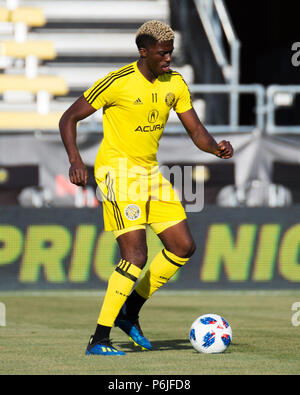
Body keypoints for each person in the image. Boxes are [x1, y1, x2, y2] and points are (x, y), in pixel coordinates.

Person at [59, 20, 233, 356]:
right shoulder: (118, 82)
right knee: (135, 256)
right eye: (162, 53)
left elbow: (196, 131)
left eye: (171, 52)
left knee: (183, 246)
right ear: (144, 52)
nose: (168, 58)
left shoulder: (175, 83)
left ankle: (130, 312)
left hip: (151, 173)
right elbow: (68, 118)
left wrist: (216, 148)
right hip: (118, 174)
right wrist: (76, 161)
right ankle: (99, 338)